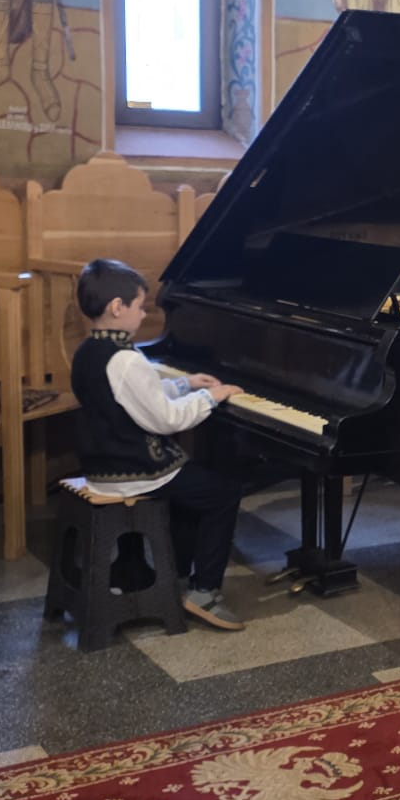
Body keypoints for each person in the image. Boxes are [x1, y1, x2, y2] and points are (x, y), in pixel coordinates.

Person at [71, 260, 249, 633]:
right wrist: (212, 397)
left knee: (191, 482)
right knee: (223, 492)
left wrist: (185, 385)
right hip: (134, 470)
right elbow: (166, 420)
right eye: (140, 306)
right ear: (117, 307)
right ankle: (204, 591)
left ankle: (169, 574)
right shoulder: (125, 359)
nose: (143, 314)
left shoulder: (89, 350)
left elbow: (138, 396)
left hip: (101, 465)